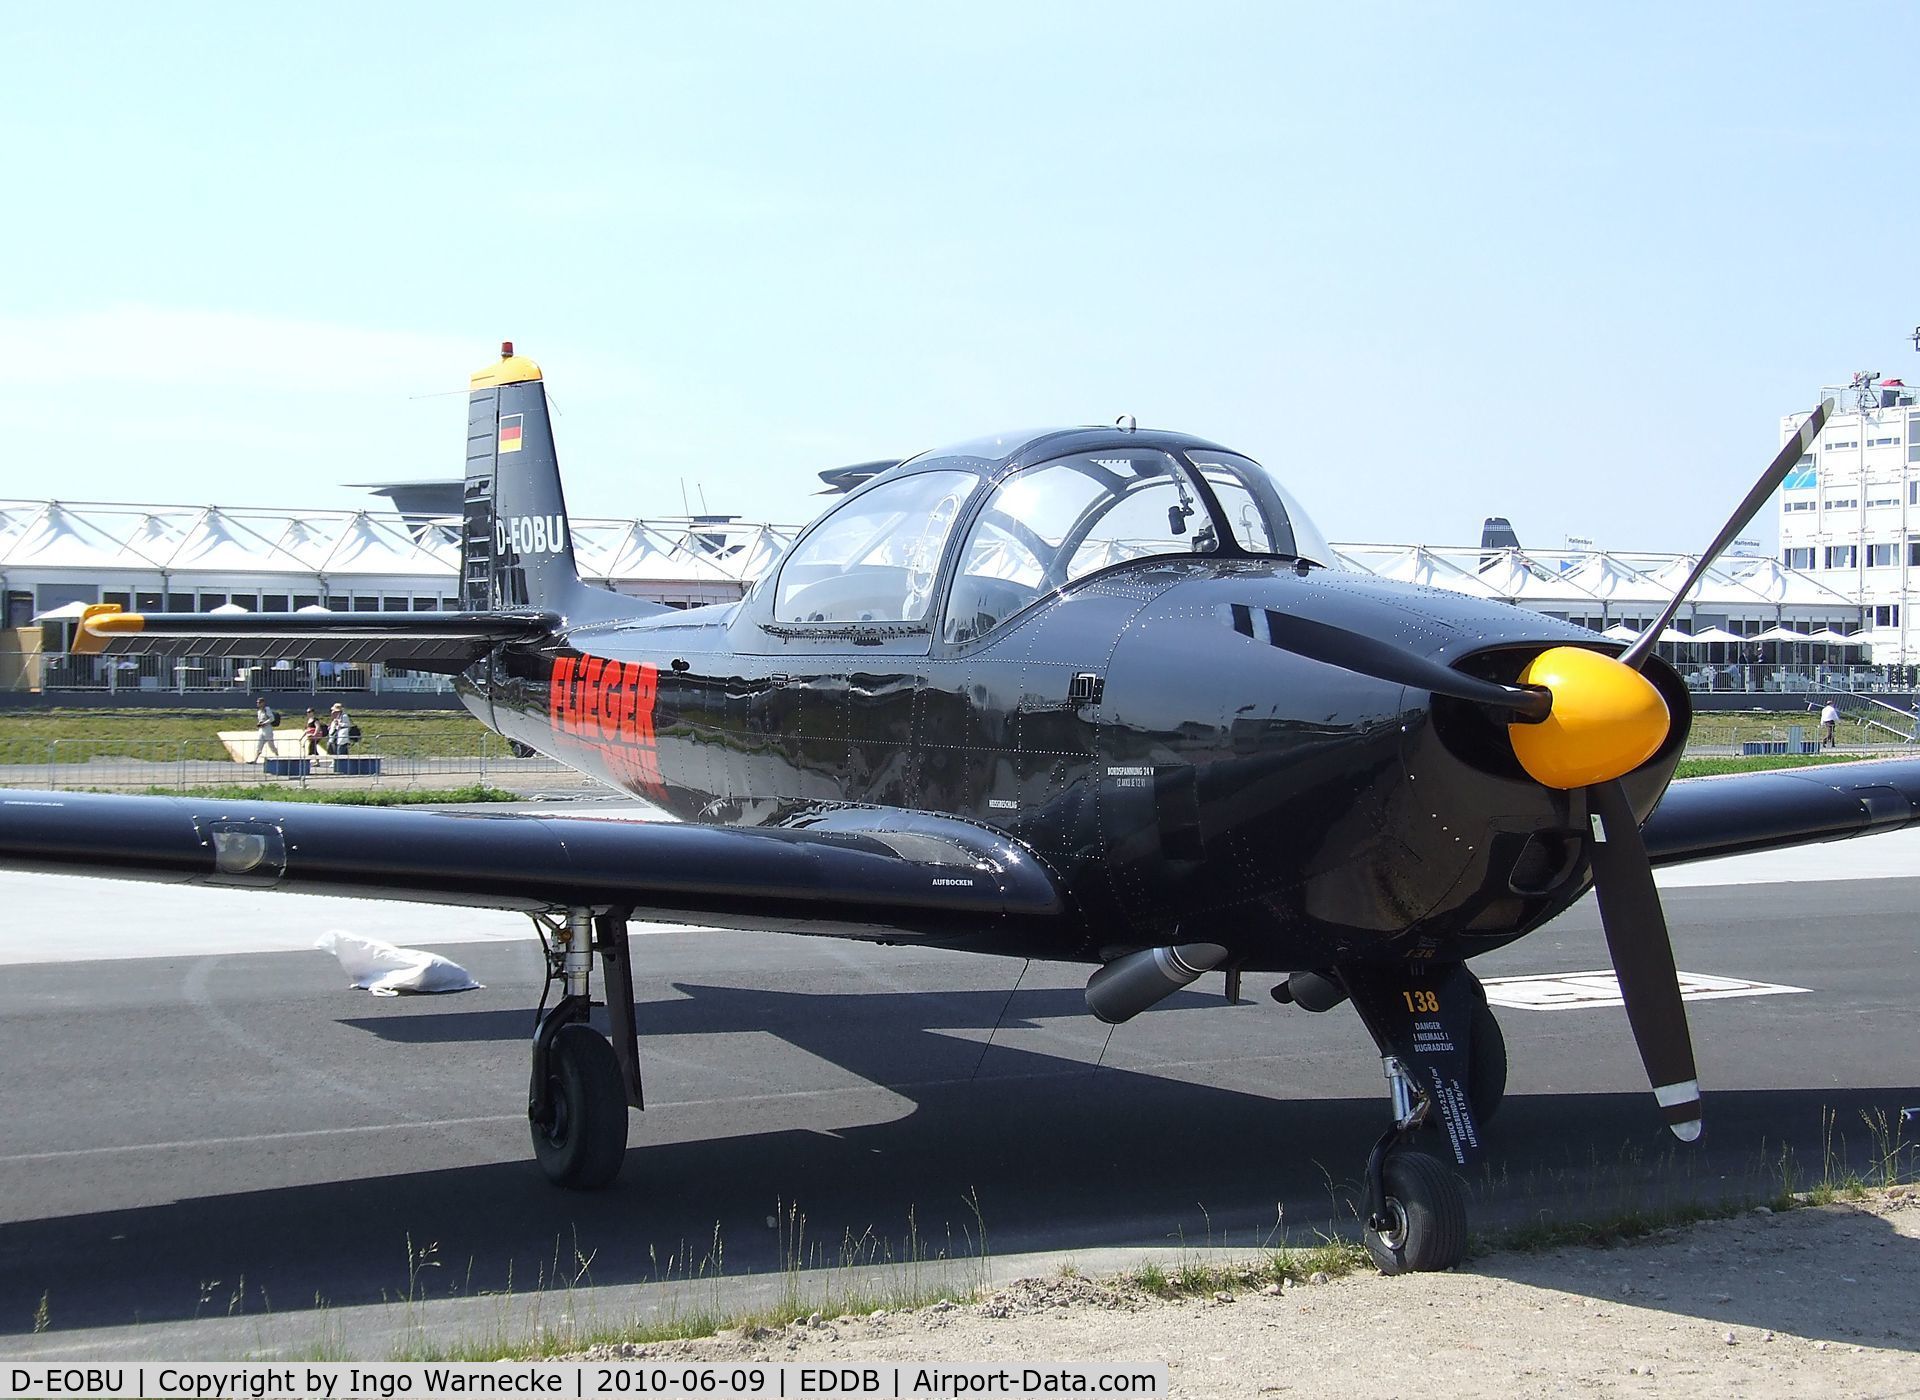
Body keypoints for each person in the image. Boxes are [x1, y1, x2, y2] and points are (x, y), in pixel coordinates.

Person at [253, 697, 280, 763]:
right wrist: (259, 724)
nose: (258, 704)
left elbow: (272, 718)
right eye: (257, 702)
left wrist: (264, 723)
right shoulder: (259, 711)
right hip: (261, 730)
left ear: (263, 703)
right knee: (259, 745)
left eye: (259, 702)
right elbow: (260, 720)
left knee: (271, 746)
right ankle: (255, 760)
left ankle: (278, 757)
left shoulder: (267, 709)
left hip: (268, 730)